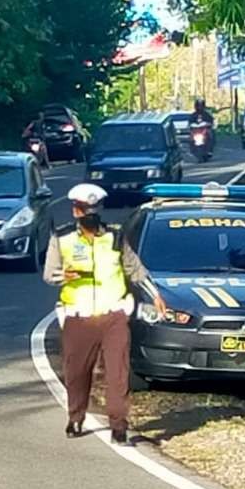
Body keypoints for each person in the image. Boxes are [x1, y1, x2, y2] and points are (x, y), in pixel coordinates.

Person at [44, 185, 166, 445]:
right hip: (79, 315)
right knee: (76, 371)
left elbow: (136, 270)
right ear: (75, 211)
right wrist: (62, 276)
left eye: (93, 211)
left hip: (113, 314)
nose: (88, 216)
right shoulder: (62, 238)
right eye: (83, 211)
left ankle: (118, 425)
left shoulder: (115, 237)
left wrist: (156, 295)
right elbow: (49, 274)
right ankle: (76, 416)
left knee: (117, 372)